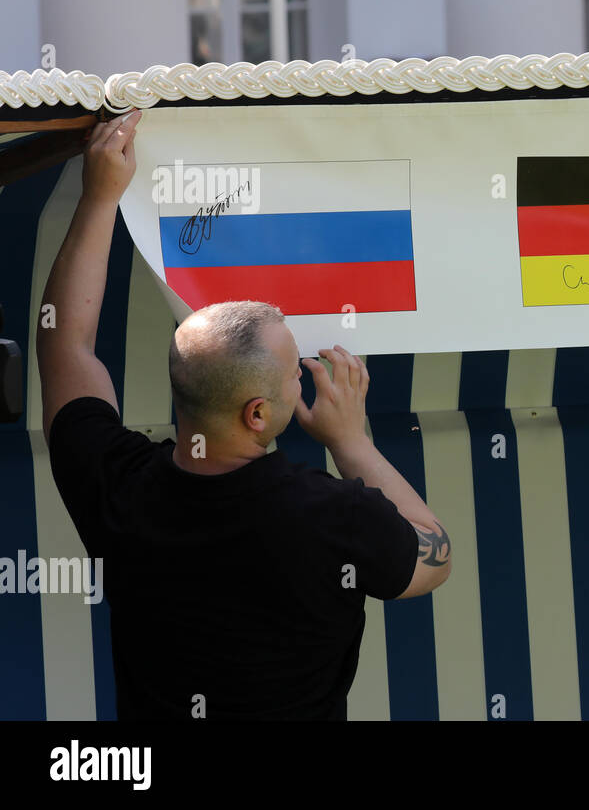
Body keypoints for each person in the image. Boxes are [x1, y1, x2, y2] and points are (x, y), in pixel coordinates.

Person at [36, 111, 451, 720]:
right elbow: (431, 562)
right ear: (258, 413)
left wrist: (101, 197)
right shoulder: (334, 514)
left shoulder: (117, 487)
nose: (301, 374)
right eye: (293, 372)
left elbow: (63, 345)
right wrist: (351, 442)